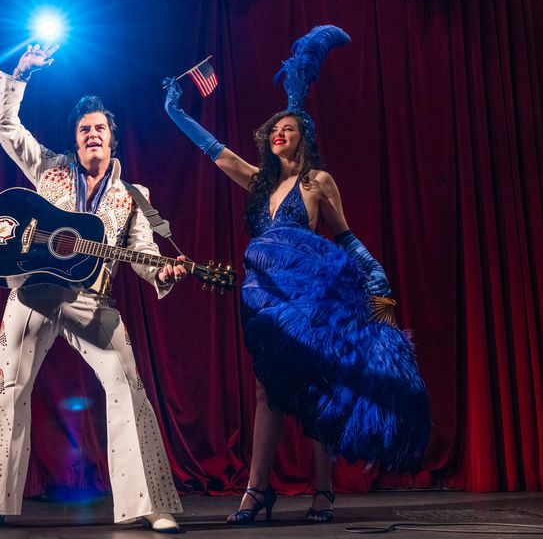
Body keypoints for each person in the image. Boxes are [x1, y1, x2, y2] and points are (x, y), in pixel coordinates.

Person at [161, 26, 429, 524]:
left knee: (314, 386)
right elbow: (215, 149)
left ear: (303, 133)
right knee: (267, 391)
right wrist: (176, 112)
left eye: (287, 127)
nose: (277, 133)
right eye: (274, 129)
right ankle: (256, 491)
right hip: (262, 299)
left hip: (311, 299)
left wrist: (376, 278)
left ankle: (322, 493)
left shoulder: (317, 181)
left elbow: (345, 236)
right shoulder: (257, 181)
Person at [0, 45, 187, 533]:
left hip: (91, 300)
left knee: (127, 386)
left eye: (99, 128)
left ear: (112, 139)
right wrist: (20, 76)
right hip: (34, 292)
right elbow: (5, 128)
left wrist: (162, 273)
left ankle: (150, 504)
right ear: (75, 139)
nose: (91, 134)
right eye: (84, 129)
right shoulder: (50, 168)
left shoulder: (134, 197)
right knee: (7, 388)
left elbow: (145, 254)